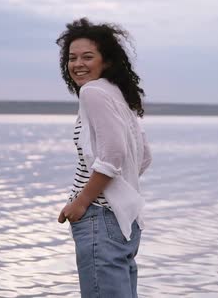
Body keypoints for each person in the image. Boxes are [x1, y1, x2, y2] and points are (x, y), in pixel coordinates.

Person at [56, 17, 152, 298]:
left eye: (88, 57)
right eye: (72, 58)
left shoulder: (93, 92)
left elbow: (113, 156)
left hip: (99, 216)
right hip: (125, 222)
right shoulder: (118, 95)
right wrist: (119, 192)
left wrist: (82, 202)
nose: (78, 64)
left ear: (106, 61)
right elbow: (143, 156)